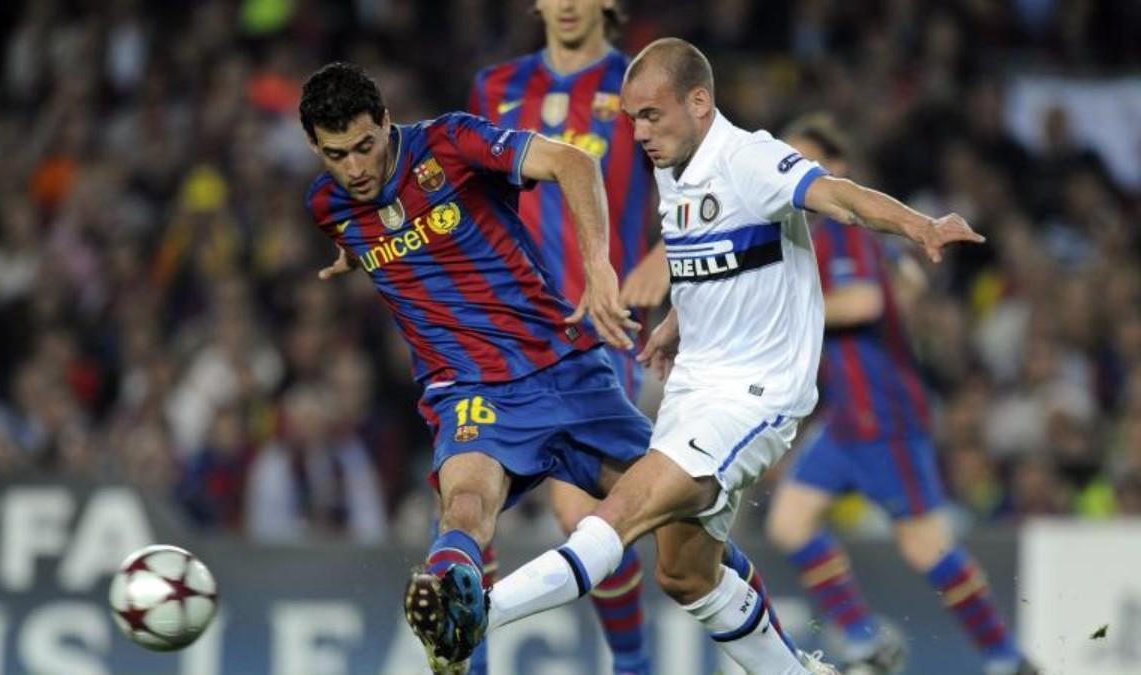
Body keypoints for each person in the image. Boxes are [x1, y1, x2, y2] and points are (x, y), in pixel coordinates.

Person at [429, 38, 985, 675]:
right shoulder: (672, 164)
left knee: (612, 515)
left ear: (699, 102)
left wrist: (920, 227)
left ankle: (475, 616)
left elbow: (838, 195)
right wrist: (674, 321)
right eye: (631, 117)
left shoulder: (749, 159)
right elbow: (705, 252)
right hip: (695, 385)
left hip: (754, 396)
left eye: (651, 116)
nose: (638, 133)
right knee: (686, 575)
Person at [467, 2, 793, 672]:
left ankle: (635, 663)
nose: (565, 4)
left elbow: (717, 183)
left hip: (598, 319)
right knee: (480, 497)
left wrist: (662, 259)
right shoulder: (496, 87)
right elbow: (471, 196)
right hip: (510, 330)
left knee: (580, 508)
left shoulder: (641, 85)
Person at [299, 61, 650, 675]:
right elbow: (382, 231)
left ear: (387, 122)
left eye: (365, 146)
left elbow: (574, 162)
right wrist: (356, 257)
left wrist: (598, 268)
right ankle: (458, 648)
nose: (355, 168)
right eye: (336, 154)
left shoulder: (451, 142)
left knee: (687, 521)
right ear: (314, 147)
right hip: (468, 387)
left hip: (562, 363)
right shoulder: (329, 207)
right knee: (464, 509)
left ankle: (783, 661)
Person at [765, 113, 1036, 675]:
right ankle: (866, 640)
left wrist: (791, 312)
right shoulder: (820, 236)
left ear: (835, 169)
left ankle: (1007, 658)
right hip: (847, 418)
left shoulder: (842, 228)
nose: (788, 171)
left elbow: (863, 301)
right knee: (789, 522)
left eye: (803, 159)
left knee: (925, 547)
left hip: (884, 414)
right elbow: (900, 281)